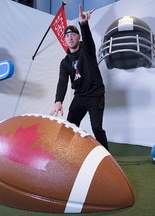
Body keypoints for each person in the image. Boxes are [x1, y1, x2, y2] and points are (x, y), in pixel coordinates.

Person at [50, 5, 109, 150]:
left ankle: (106, 158)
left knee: (97, 128)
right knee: (69, 125)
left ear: (79, 37)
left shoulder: (87, 51)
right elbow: (62, 81)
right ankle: (61, 153)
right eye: (67, 35)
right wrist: (58, 101)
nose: (70, 37)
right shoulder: (65, 62)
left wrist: (84, 24)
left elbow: (88, 39)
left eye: (73, 34)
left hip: (95, 94)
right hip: (80, 96)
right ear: (64, 39)